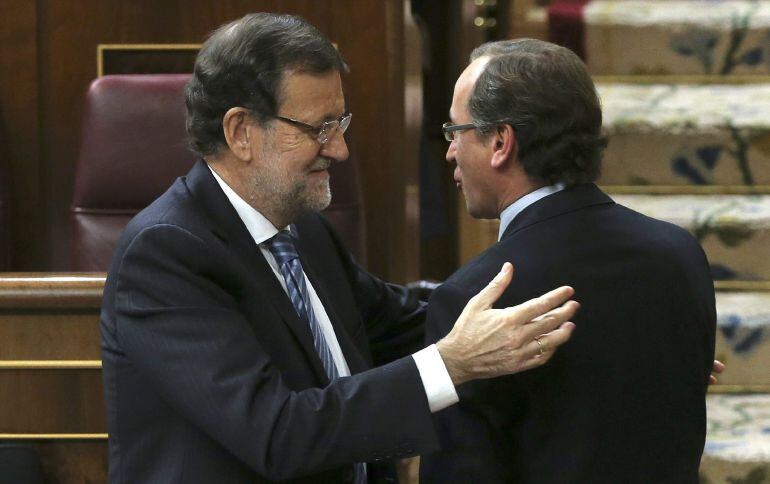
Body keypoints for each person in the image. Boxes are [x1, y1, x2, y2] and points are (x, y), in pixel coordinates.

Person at [99, 15, 580, 484]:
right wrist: (449, 364)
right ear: (240, 132)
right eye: (319, 129)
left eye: (340, 123)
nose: (341, 149)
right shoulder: (165, 254)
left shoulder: (304, 232)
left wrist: (553, 281)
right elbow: (277, 434)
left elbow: (407, 321)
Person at [419, 39, 717, 483]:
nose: (449, 152)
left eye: (455, 132)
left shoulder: (475, 298)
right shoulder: (680, 252)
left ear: (501, 142)